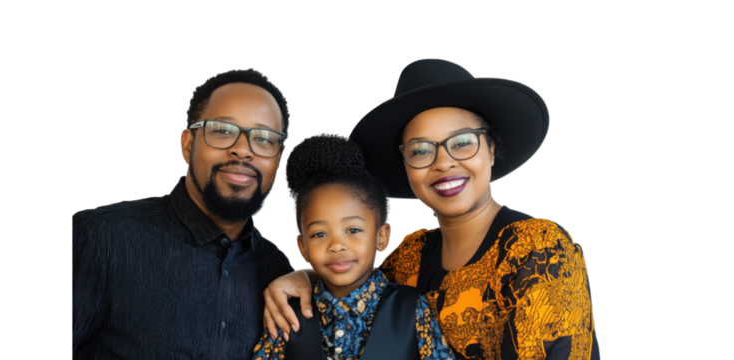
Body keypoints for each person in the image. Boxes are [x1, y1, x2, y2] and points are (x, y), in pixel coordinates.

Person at [263, 58, 601, 359]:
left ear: (492, 148)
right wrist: (302, 275)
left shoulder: (537, 249)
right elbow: (356, 280)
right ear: (406, 164)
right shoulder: (409, 256)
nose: (444, 163)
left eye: (462, 142)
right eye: (421, 150)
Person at [71, 67, 296, 359]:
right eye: (223, 130)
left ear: (278, 157)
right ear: (188, 144)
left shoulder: (277, 273)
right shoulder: (102, 237)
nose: (243, 150)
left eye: (264, 138)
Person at [252, 132, 455, 360]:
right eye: (319, 233)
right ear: (302, 246)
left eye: (353, 230)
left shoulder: (412, 309)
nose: (337, 245)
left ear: (382, 236)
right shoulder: (288, 315)